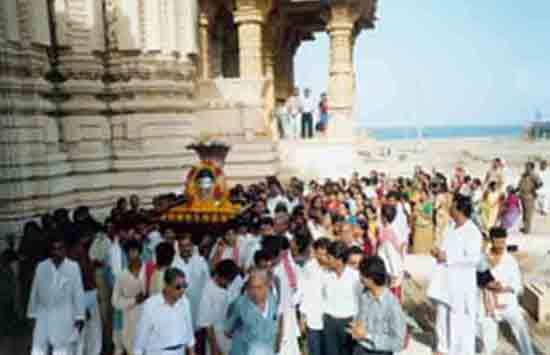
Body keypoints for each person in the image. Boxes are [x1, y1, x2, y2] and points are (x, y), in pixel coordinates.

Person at [428, 195, 482, 355]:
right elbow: (446, 250)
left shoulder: (472, 232)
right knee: (442, 316)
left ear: (459, 209)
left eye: (452, 206)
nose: (449, 208)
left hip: (461, 284)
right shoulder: (451, 227)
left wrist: (448, 258)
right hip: (445, 281)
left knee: (460, 321)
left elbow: (473, 259)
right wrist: (438, 253)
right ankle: (443, 348)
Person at [477, 227, 534, 355]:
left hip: (507, 303)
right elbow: (476, 278)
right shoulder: (482, 258)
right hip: (488, 304)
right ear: (492, 241)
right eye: (498, 242)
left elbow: (518, 286)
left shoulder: (510, 261)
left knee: (521, 329)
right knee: (488, 341)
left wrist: (503, 287)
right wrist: (488, 285)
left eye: (503, 242)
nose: (501, 246)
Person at [27, 236, 85, 355]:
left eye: (60, 248)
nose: (57, 252)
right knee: (37, 349)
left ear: (65, 250)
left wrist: (79, 316)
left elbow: (78, 292)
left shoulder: (73, 267)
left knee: (62, 350)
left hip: (64, 314)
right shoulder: (41, 266)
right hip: (43, 314)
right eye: (54, 249)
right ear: (50, 251)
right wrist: (32, 313)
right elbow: (35, 291)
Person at [347, 256, 407, 355]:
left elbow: (398, 343)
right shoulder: (365, 295)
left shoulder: (392, 305)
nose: (360, 277)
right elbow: (361, 318)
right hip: (360, 349)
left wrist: (367, 335)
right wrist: (356, 325)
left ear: (370, 278)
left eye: (361, 274)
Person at [134, 268, 196, 355]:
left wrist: (192, 352)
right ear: (166, 286)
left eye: (184, 285)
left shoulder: (185, 303)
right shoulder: (150, 305)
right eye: (178, 287)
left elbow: (189, 334)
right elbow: (140, 340)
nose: (182, 290)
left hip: (180, 351)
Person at [226, 268, 281, 355]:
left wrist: (278, 342)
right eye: (251, 287)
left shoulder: (273, 300)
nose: (254, 292)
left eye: (259, 287)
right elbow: (228, 330)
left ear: (266, 286)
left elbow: (277, 322)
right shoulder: (239, 304)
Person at [322, 241, 362, 355]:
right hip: (329, 323)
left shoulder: (356, 277)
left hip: (348, 324)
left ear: (338, 259)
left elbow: (361, 301)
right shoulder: (325, 275)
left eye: (329, 257)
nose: (326, 260)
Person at [111, 239, 146, 355]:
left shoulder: (148, 271)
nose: (132, 254)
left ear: (140, 252)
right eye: (129, 252)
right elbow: (115, 302)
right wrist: (134, 300)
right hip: (129, 321)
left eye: (134, 251)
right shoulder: (121, 275)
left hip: (147, 320)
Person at [198, 260, 241, 355]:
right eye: (227, 280)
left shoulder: (234, 280)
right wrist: (215, 349)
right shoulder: (208, 290)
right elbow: (207, 325)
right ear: (218, 275)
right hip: (215, 336)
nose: (229, 283)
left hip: (233, 335)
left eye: (231, 280)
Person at [299, 238, 330, 355]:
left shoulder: (332, 268)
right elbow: (303, 292)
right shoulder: (308, 268)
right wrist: (303, 316)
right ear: (315, 252)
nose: (323, 257)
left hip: (329, 319)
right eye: (320, 253)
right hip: (313, 319)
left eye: (326, 254)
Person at [518, 162, 542, 234]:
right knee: (524, 213)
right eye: (526, 166)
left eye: (527, 167)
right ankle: (525, 227)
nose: (526, 168)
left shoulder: (534, 175)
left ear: (531, 168)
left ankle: (527, 229)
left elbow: (540, 183)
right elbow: (520, 184)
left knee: (528, 213)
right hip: (522, 195)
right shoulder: (524, 174)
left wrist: (534, 189)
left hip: (529, 196)